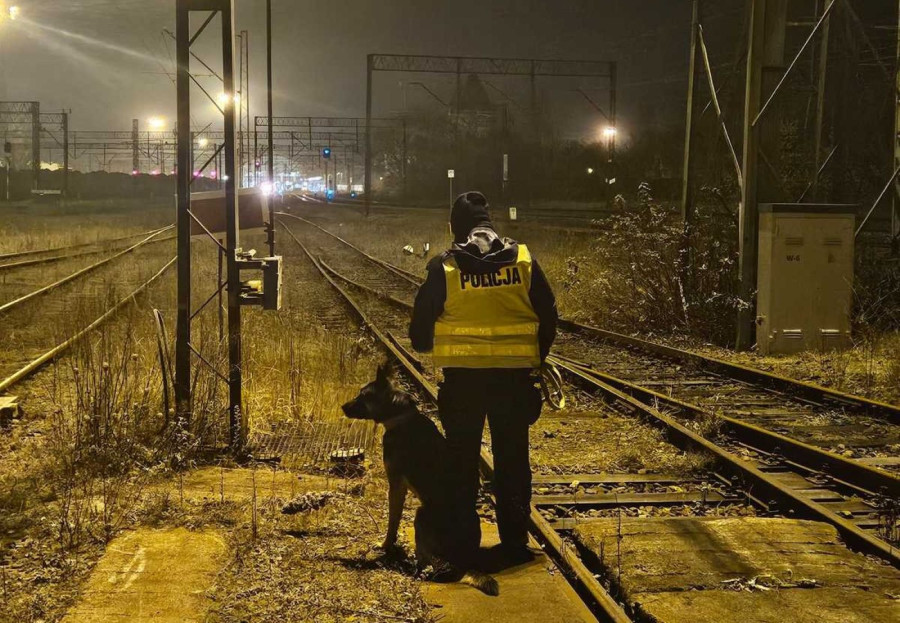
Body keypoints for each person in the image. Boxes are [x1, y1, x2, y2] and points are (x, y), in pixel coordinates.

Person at [409, 191, 558, 566]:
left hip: (463, 385)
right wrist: (535, 358)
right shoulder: (523, 262)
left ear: (455, 228)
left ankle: (464, 543)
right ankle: (514, 542)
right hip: (513, 383)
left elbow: (419, 335)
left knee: (461, 463)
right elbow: (549, 315)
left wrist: (435, 341)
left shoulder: (445, 267)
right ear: (490, 224)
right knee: (513, 460)